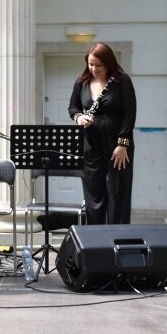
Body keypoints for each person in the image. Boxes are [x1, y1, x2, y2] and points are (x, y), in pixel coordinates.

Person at [68, 42, 136, 225]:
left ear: (108, 64)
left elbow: (129, 114)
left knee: (117, 195)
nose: (93, 68)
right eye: (90, 64)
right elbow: (73, 106)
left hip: (118, 146)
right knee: (94, 195)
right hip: (91, 145)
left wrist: (123, 145)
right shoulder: (81, 82)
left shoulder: (122, 81)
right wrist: (79, 117)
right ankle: (96, 242)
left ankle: (118, 240)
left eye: (98, 65)